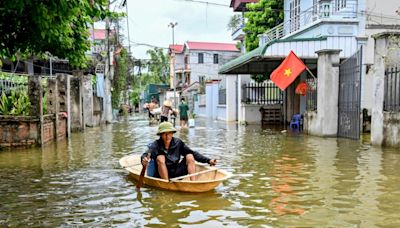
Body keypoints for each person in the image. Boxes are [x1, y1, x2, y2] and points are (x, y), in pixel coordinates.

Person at [141, 122, 217, 180]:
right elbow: (147, 153)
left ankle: (193, 183)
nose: (167, 136)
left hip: (176, 172)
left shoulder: (178, 143)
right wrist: (144, 159)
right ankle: (166, 183)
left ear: (172, 133)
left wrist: (208, 160)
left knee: (190, 155)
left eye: (169, 133)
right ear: (160, 135)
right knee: (160, 158)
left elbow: (193, 153)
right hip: (161, 175)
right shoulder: (156, 144)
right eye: (164, 134)